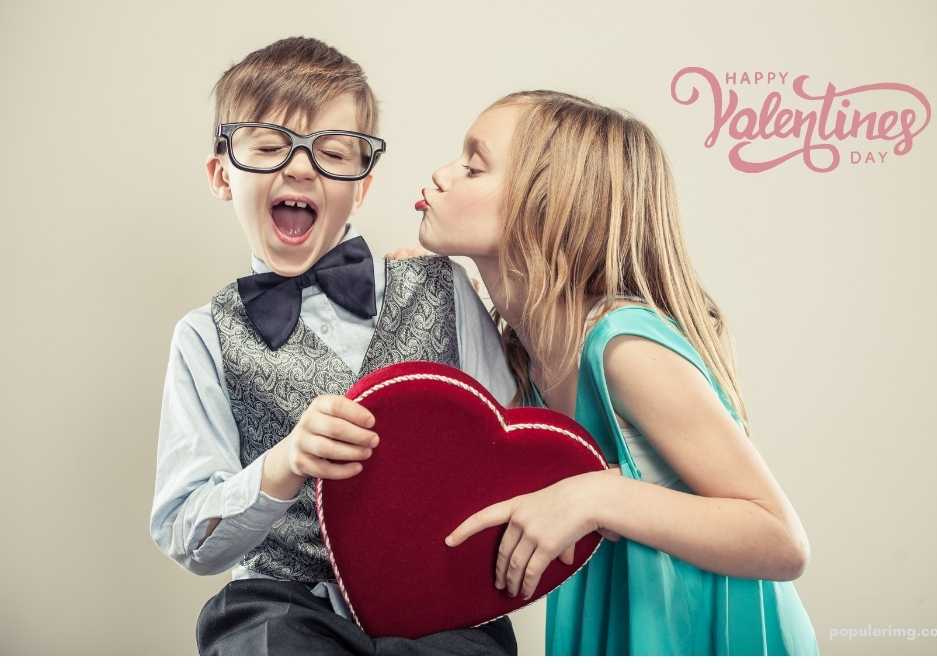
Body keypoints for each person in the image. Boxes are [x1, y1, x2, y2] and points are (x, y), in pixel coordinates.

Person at [393, 89, 821, 655]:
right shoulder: (527, 345)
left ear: (548, 207)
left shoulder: (624, 348)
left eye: (473, 167)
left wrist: (595, 498)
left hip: (699, 635)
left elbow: (780, 539)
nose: (443, 175)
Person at [148, 37, 519, 656]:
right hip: (281, 609)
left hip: (439, 604)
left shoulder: (445, 288)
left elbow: (507, 448)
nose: (299, 168)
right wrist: (283, 464)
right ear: (221, 174)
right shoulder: (204, 338)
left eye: (331, 152)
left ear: (363, 184)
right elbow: (187, 535)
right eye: (269, 146)